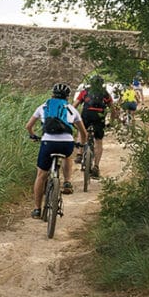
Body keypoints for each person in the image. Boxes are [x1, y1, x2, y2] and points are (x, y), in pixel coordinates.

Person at [25, 82, 87, 218]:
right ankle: (67, 182)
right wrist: (81, 145)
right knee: (67, 156)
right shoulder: (71, 109)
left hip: (48, 142)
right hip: (66, 143)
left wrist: (33, 135)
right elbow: (83, 132)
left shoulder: (43, 106)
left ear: (52, 94)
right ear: (67, 96)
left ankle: (37, 209)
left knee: (41, 175)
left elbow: (29, 126)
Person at [73, 74, 115, 177]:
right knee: (98, 141)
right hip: (99, 117)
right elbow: (113, 109)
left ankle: (79, 154)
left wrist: (73, 119)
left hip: (86, 115)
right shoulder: (105, 94)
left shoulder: (84, 92)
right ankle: (96, 166)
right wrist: (112, 121)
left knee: (81, 132)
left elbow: (74, 106)